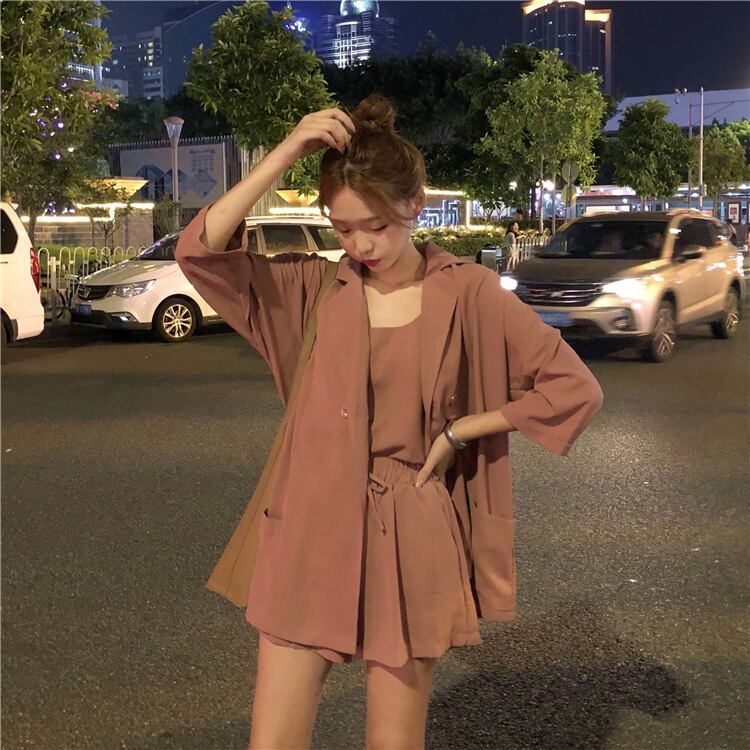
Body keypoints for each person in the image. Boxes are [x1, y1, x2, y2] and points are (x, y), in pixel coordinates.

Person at [175, 95, 603, 750]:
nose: (359, 245)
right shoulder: (311, 290)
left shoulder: (468, 292)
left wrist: (463, 430)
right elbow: (200, 254)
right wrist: (287, 151)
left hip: (412, 530)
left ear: (415, 203)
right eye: (342, 229)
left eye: (374, 224)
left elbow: (574, 387)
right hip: (311, 526)